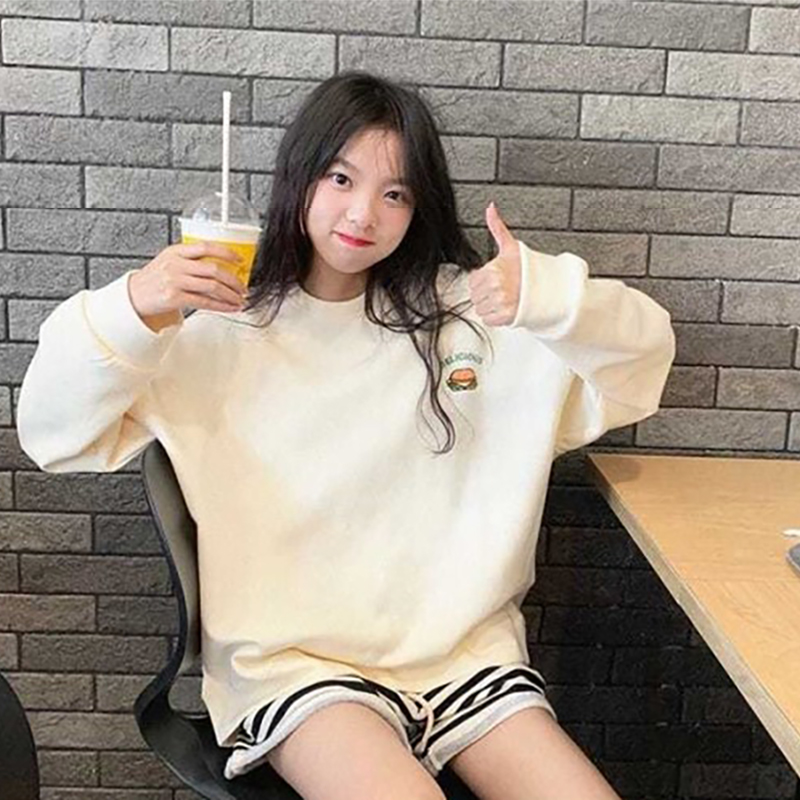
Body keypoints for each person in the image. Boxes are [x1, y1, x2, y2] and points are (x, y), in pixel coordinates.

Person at [17, 71, 675, 800]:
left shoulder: (472, 316)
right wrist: (135, 306)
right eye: (340, 179)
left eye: (395, 193)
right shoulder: (217, 335)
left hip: (467, 662)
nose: (363, 213)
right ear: (300, 178)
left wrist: (550, 299)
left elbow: (640, 372)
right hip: (299, 668)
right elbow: (52, 434)